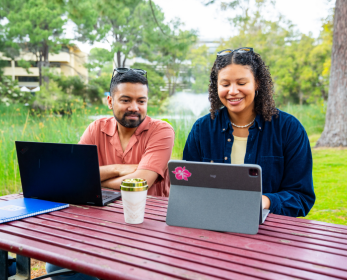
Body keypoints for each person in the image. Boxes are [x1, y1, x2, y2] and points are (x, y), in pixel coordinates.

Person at [45, 68, 175, 280]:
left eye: (141, 101)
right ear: (109, 101)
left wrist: (94, 177)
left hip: (147, 225)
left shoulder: (161, 131)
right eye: (126, 100)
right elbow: (74, 176)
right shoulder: (96, 128)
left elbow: (139, 182)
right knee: (58, 269)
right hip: (101, 222)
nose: (134, 108)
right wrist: (117, 168)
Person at [183, 47, 315, 217]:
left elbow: (301, 197)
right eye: (225, 84)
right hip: (211, 225)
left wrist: (264, 201)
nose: (232, 91)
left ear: (257, 82)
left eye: (241, 83)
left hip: (268, 232)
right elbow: (187, 187)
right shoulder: (202, 129)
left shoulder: (289, 129)